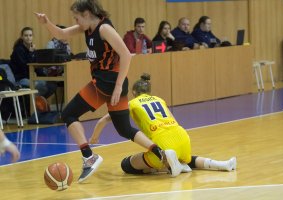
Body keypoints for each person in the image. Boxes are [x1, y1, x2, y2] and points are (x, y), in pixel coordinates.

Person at [35, 0, 181, 183]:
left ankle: (89, 156)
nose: (76, 21)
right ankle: (161, 153)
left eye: (77, 17)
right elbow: (62, 34)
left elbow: (126, 55)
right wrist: (47, 22)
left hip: (106, 82)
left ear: (87, 13)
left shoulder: (104, 29)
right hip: (110, 82)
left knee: (68, 114)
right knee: (124, 129)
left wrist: (118, 86)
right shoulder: (87, 28)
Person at [90, 74, 237, 176]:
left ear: (134, 92)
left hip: (162, 142)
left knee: (126, 165)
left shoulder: (132, 103)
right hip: (182, 136)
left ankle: (166, 165)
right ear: (149, 91)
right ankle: (222, 164)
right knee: (189, 159)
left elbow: (103, 120)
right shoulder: (160, 100)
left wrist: (94, 138)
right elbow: (175, 121)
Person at [9, 27, 57, 99]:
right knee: (40, 85)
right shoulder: (18, 50)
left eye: (30, 35)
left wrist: (45, 77)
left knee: (51, 85)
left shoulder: (32, 49)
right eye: (26, 35)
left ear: (32, 37)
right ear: (22, 37)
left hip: (30, 78)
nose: (28, 38)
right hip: (20, 79)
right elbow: (25, 67)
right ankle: (35, 104)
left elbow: (36, 66)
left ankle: (38, 101)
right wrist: (31, 53)